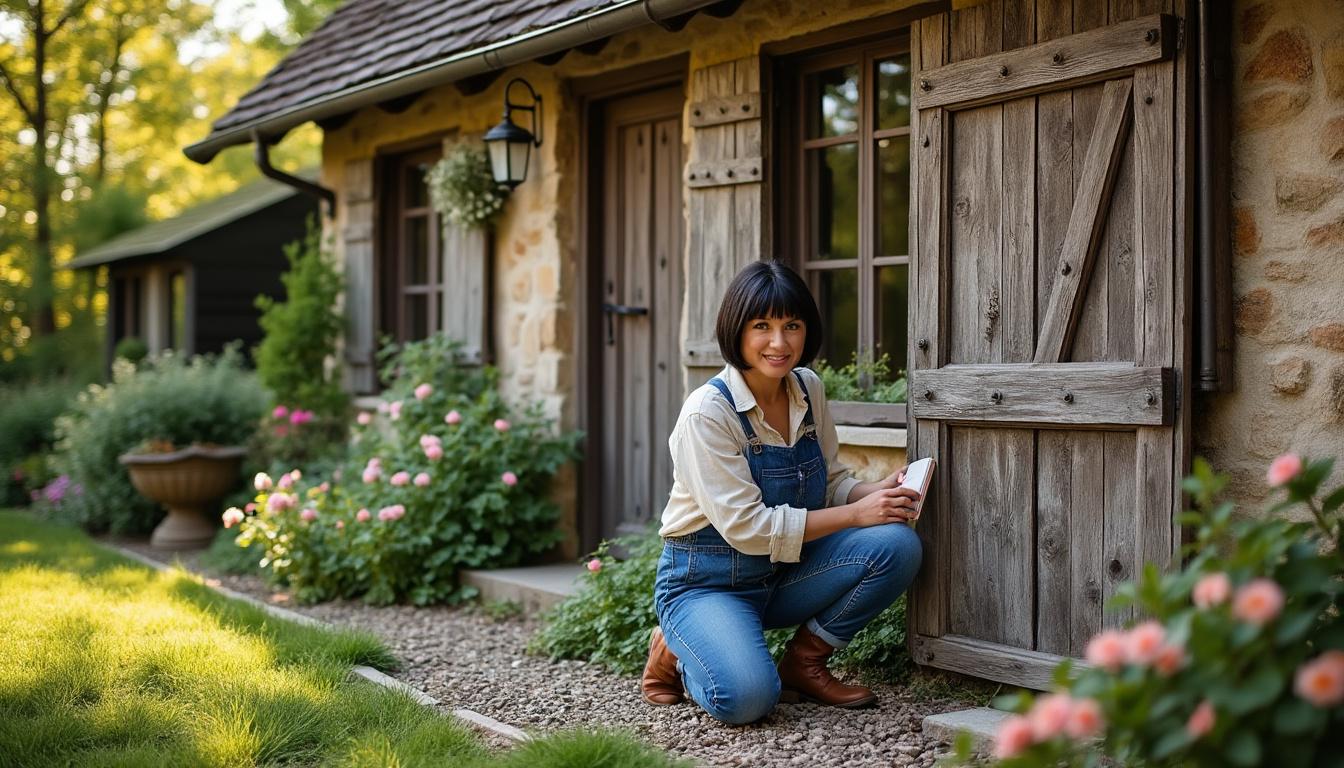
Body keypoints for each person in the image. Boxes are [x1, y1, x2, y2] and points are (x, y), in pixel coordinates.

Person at [642, 260, 924, 725]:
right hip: (709, 583)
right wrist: (857, 516)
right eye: (762, 326)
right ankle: (677, 648)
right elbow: (750, 530)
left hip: (783, 575)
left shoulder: (807, 387)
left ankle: (804, 664)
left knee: (896, 544)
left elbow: (828, 481)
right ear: (737, 330)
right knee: (748, 700)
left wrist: (875, 491)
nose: (780, 342)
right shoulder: (707, 415)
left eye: (791, 325)